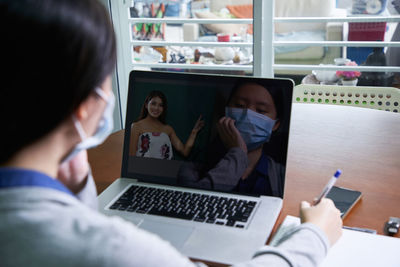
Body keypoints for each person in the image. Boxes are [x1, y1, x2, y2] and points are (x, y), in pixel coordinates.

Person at [0, 0, 342, 266]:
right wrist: (315, 234)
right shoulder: (114, 250)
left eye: (261, 110)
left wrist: (78, 186)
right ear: (85, 105)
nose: (248, 115)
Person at [178, 81, 286, 197]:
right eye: (240, 105)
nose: (247, 115)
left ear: (275, 124)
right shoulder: (192, 167)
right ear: (226, 111)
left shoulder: (282, 176)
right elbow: (192, 201)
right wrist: (237, 153)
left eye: (260, 110)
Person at [129, 90, 204, 159]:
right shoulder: (136, 126)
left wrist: (194, 132)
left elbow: (185, 152)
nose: (156, 108)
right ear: (146, 105)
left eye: (160, 105)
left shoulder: (168, 129)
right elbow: (131, 158)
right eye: (153, 103)